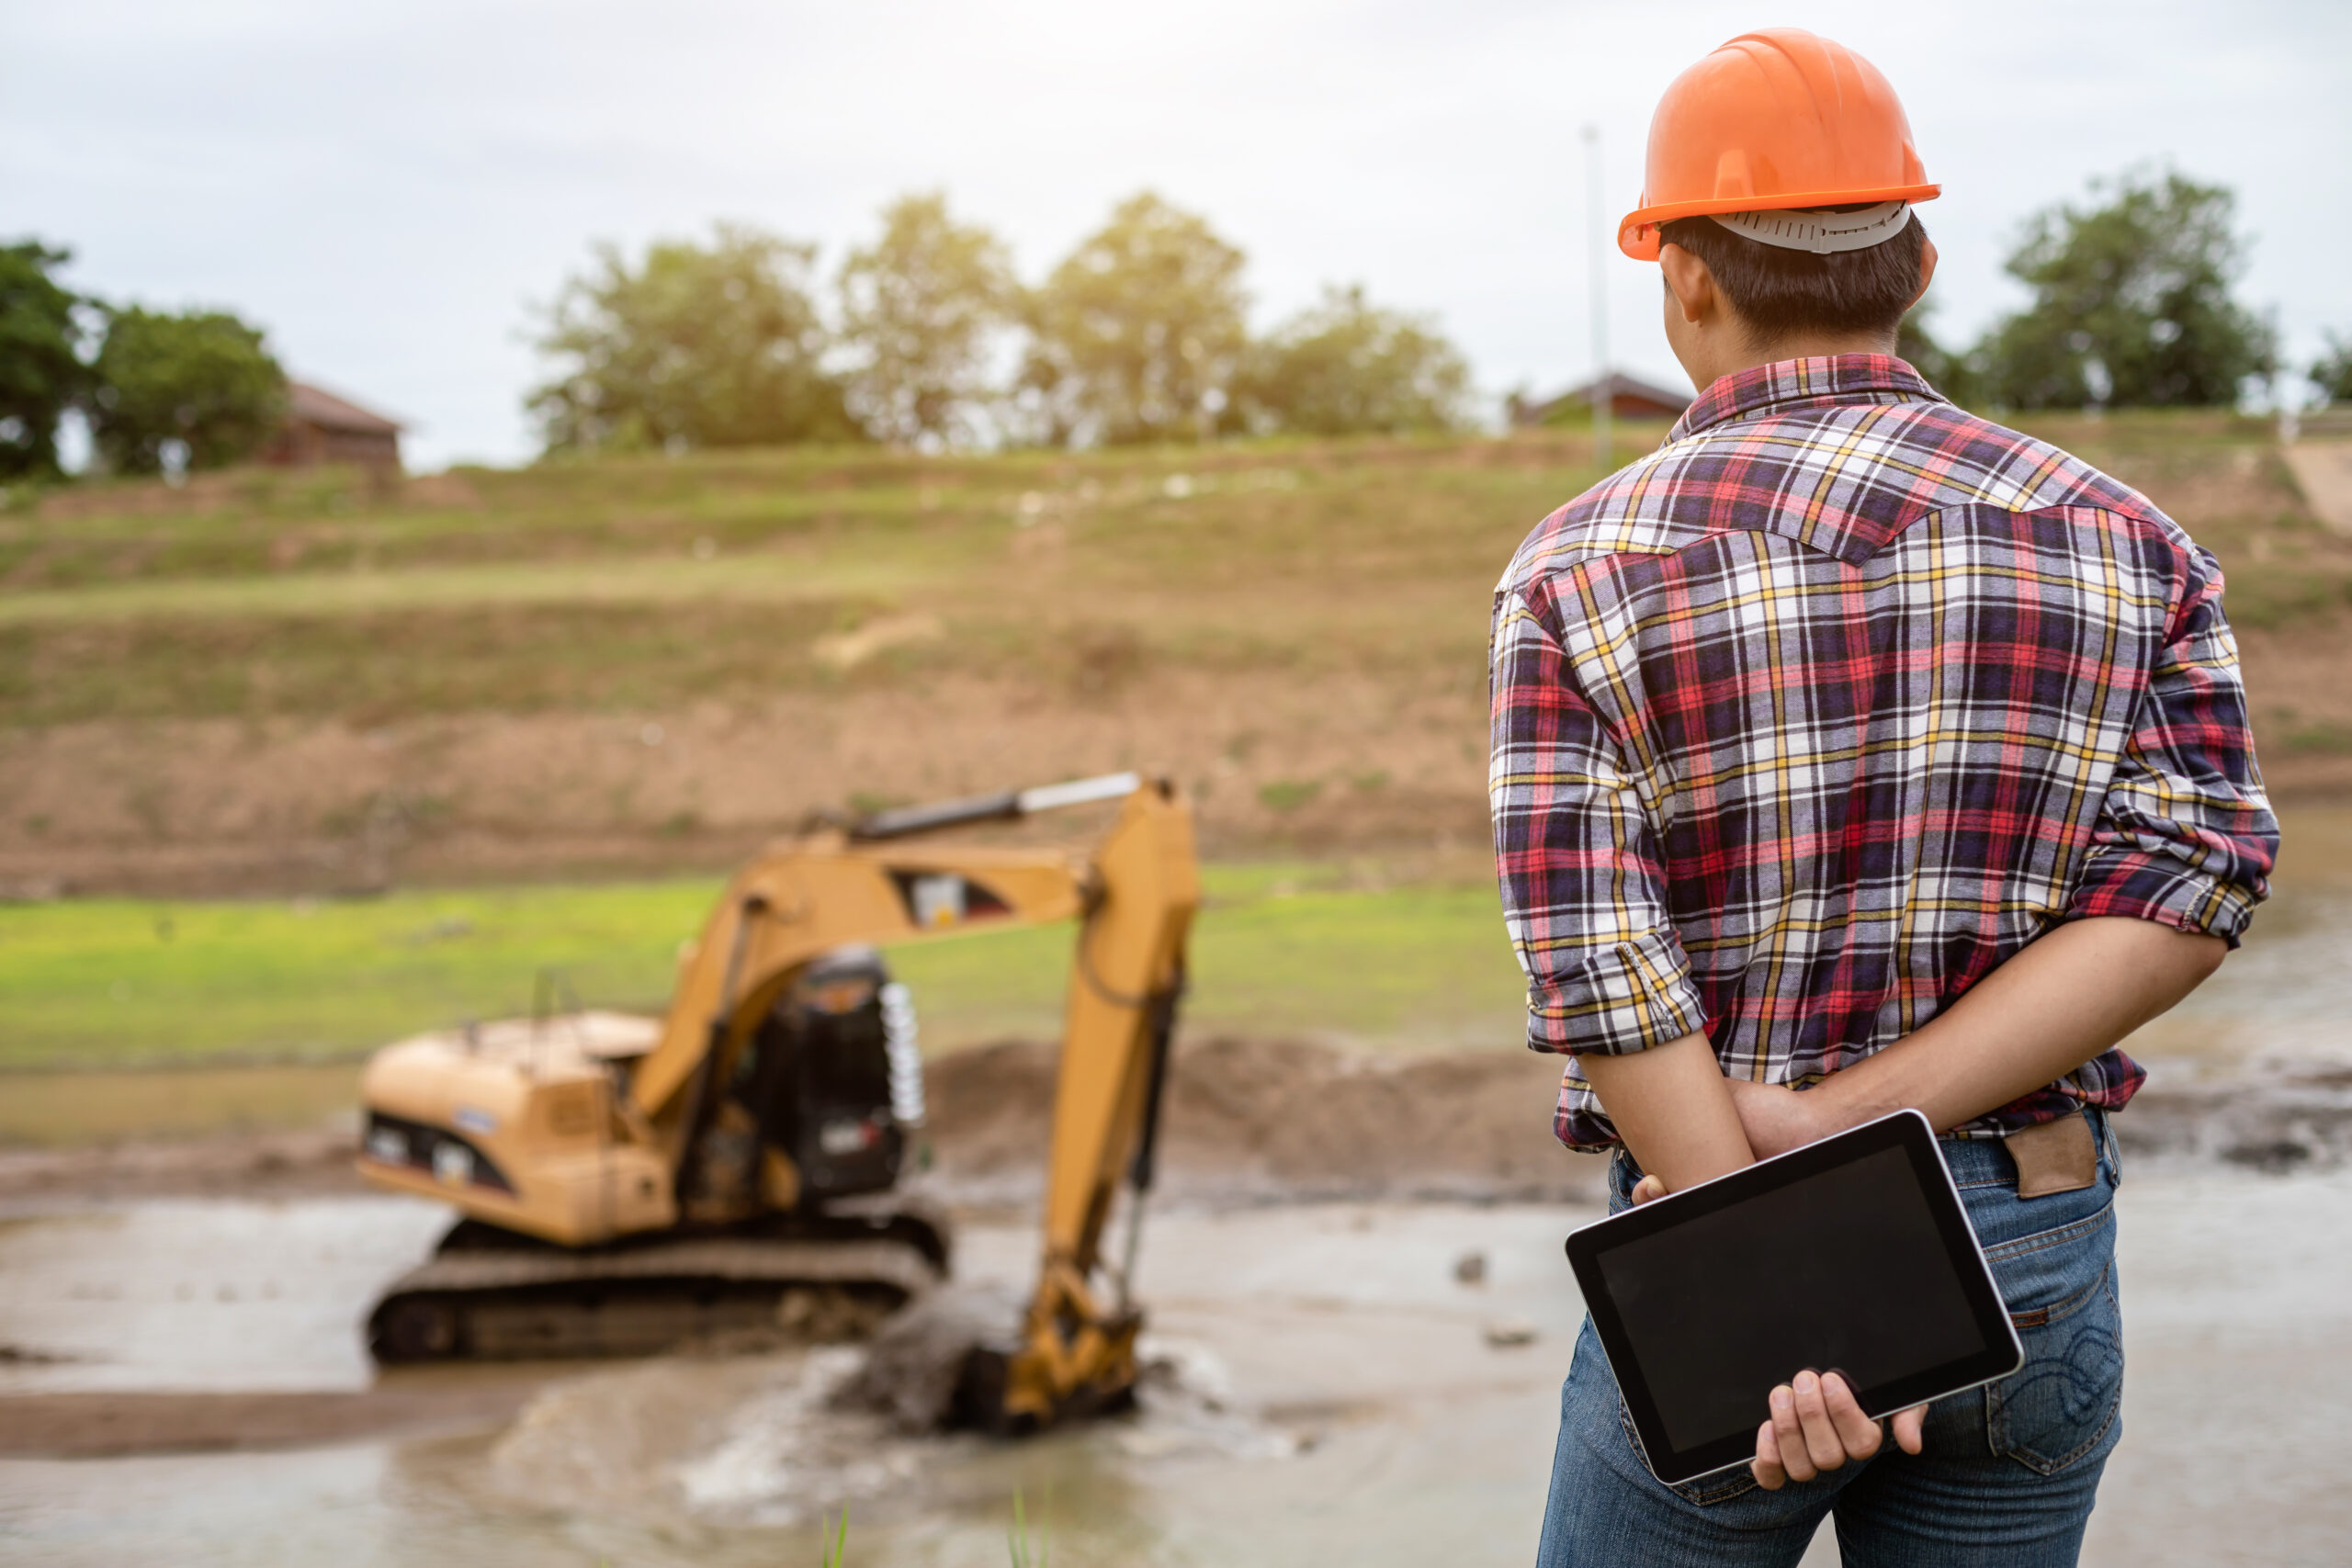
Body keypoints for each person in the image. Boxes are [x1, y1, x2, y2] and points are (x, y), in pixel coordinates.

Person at [1487, 28, 2277, 1568]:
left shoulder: (1576, 575)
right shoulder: (2128, 541)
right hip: (2032, 1234)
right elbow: (2195, 884)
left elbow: (1598, 967)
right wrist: (1858, 1133)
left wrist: (1775, 1259)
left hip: (1718, 1235)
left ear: (1686, 278)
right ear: (1913, 256)